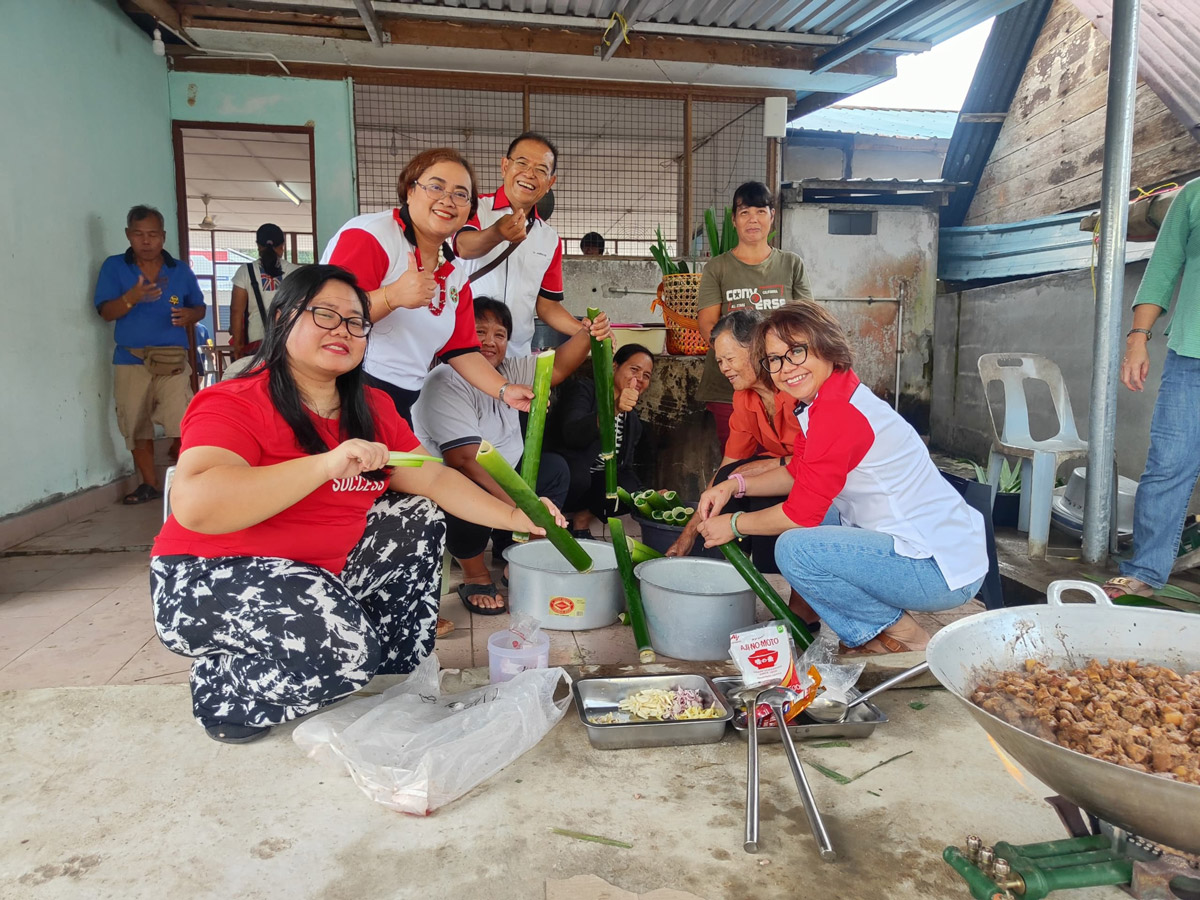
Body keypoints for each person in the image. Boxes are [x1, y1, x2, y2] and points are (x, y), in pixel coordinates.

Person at [150, 264, 565, 744]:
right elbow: (196, 504)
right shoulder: (235, 401)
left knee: (418, 516)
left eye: (355, 322)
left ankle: (389, 675)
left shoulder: (371, 409)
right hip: (207, 580)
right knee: (346, 653)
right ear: (283, 317)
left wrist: (518, 516)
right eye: (325, 315)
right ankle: (225, 685)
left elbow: (433, 478)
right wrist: (325, 465)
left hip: (315, 573)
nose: (342, 330)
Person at [696, 302, 987, 654]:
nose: (787, 368)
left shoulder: (838, 414)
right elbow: (798, 472)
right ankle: (858, 631)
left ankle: (900, 635)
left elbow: (798, 515)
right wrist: (734, 485)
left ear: (827, 346)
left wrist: (735, 524)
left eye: (797, 352)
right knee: (824, 517)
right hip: (935, 550)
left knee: (796, 547)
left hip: (938, 570)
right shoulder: (823, 401)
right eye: (775, 359)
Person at [412, 298, 612, 614]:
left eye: (500, 335)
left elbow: (558, 366)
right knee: (470, 491)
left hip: (507, 467)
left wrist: (588, 332)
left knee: (555, 470)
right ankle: (474, 571)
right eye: (479, 332)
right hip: (460, 475)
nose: (490, 342)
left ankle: (513, 551)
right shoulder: (445, 380)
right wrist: (522, 506)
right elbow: (464, 459)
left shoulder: (508, 369)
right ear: (459, 334)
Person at [320, 147, 534, 423]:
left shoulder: (454, 272)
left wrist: (504, 390)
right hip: (346, 395)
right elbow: (328, 316)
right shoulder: (371, 235)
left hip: (399, 405)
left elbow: (462, 350)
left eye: (460, 194)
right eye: (436, 187)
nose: (447, 200)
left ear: (469, 210)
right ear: (410, 190)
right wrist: (391, 297)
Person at [664, 310, 821, 630]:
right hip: (784, 479)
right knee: (731, 479)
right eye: (719, 362)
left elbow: (820, 461)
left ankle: (804, 611)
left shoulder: (797, 389)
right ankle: (708, 589)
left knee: (754, 486)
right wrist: (688, 533)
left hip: (822, 484)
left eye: (729, 358)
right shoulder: (745, 399)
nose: (723, 368)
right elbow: (726, 469)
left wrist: (771, 465)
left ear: (757, 349)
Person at [1105, 178, 1200, 600]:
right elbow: (1163, 268)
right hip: (1191, 353)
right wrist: (1137, 339)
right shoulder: (1193, 195)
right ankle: (1145, 569)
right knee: (1168, 464)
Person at [94, 204, 206, 505]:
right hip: (131, 359)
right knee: (135, 423)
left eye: (153, 235)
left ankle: (188, 484)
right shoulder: (114, 267)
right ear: (129, 235)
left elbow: (200, 307)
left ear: (163, 236)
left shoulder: (180, 270)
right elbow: (105, 311)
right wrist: (133, 297)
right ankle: (149, 484)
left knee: (182, 421)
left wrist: (189, 315)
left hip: (171, 361)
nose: (147, 241)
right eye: (140, 235)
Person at [696, 181, 814, 450]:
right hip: (730, 387)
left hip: (785, 381)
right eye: (745, 212)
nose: (753, 219)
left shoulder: (791, 264)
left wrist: (774, 361)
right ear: (734, 220)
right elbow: (707, 325)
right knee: (739, 463)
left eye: (761, 211)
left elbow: (806, 322)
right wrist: (743, 363)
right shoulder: (718, 267)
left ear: (772, 216)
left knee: (791, 458)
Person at [454, 132, 584, 357]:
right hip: (464, 353)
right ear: (505, 166)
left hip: (516, 356)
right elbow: (464, 247)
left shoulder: (549, 239)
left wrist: (586, 331)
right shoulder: (473, 208)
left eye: (541, 170)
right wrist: (496, 233)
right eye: (522, 163)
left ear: (550, 182)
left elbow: (547, 307)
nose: (529, 174)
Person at [548, 344, 654, 538]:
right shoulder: (585, 389)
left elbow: (625, 467)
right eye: (634, 369)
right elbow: (572, 434)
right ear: (614, 367)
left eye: (646, 376)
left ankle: (581, 519)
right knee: (579, 475)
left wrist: (647, 495)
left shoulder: (633, 420)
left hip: (598, 483)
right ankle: (553, 520)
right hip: (571, 475)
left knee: (628, 490)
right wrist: (613, 409)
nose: (639, 379)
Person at [230, 223, 298, 359]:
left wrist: (237, 346)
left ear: (258, 246)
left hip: (255, 344)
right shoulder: (295, 272)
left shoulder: (245, 272)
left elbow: (236, 311)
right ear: (282, 247)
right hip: (288, 342)